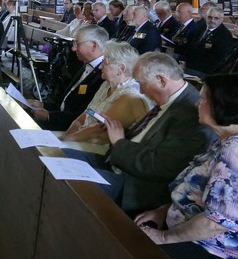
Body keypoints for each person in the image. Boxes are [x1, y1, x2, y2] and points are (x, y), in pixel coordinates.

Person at [67, 52, 208, 213]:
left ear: (161, 80)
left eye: (142, 83)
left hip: (137, 186)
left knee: (69, 182)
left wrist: (119, 142)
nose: (140, 91)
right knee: (59, 156)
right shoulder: (169, 98)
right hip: (120, 163)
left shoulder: (191, 113)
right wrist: (119, 130)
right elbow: (144, 136)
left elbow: (160, 166)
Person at [135, 74, 238, 259]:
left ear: (223, 104)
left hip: (210, 249)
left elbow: (216, 222)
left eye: (204, 98)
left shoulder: (235, 152)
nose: (197, 103)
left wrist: (164, 236)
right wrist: (165, 210)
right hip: (184, 230)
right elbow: (196, 193)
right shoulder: (224, 140)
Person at [61, 41, 150, 144]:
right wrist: (65, 136)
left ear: (121, 69)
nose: (99, 67)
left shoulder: (130, 96)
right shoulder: (106, 85)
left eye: (105, 63)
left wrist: (64, 141)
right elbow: (82, 118)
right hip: (80, 139)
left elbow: (99, 133)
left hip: (99, 148)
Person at [28, 25, 107, 131]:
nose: (73, 49)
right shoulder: (86, 65)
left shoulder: (103, 74)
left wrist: (49, 116)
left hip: (70, 129)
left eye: (77, 44)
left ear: (93, 45)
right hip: (61, 120)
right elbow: (66, 103)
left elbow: (83, 115)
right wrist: (43, 105)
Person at [184, 7, 235, 76]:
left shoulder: (225, 35)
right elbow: (190, 46)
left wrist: (188, 66)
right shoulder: (201, 27)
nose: (212, 20)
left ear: (221, 20)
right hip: (189, 64)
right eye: (209, 17)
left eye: (216, 18)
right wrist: (183, 61)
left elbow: (214, 61)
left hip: (205, 71)